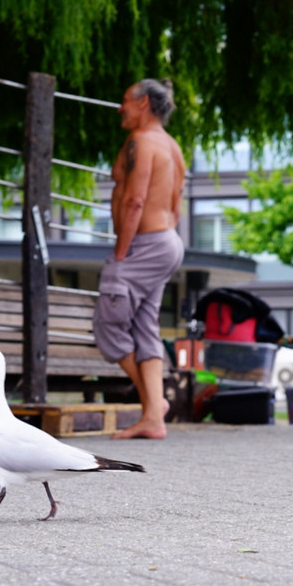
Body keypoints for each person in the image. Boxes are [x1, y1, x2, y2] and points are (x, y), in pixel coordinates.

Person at [93, 78, 186, 440]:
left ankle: (154, 402)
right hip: (166, 240)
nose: (120, 108)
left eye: (124, 102)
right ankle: (153, 418)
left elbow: (134, 200)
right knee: (145, 327)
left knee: (109, 324)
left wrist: (121, 253)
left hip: (142, 243)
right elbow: (176, 204)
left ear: (143, 103)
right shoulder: (172, 146)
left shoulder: (142, 141)